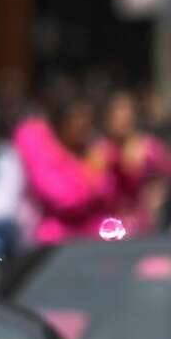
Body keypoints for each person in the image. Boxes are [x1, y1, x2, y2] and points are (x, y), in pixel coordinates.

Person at [16, 84, 121, 245]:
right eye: (75, 119)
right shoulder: (41, 146)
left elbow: (112, 195)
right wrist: (92, 175)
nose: (82, 127)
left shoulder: (95, 149)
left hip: (97, 240)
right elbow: (63, 199)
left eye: (87, 120)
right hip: (56, 243)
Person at [98, 90, 171, 235]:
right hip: (108, 230)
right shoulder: (99, 152)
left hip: (148, 229)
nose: (122, 119)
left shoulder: (151, 149)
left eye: (126, 111)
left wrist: (161, 195)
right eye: (116, 113)